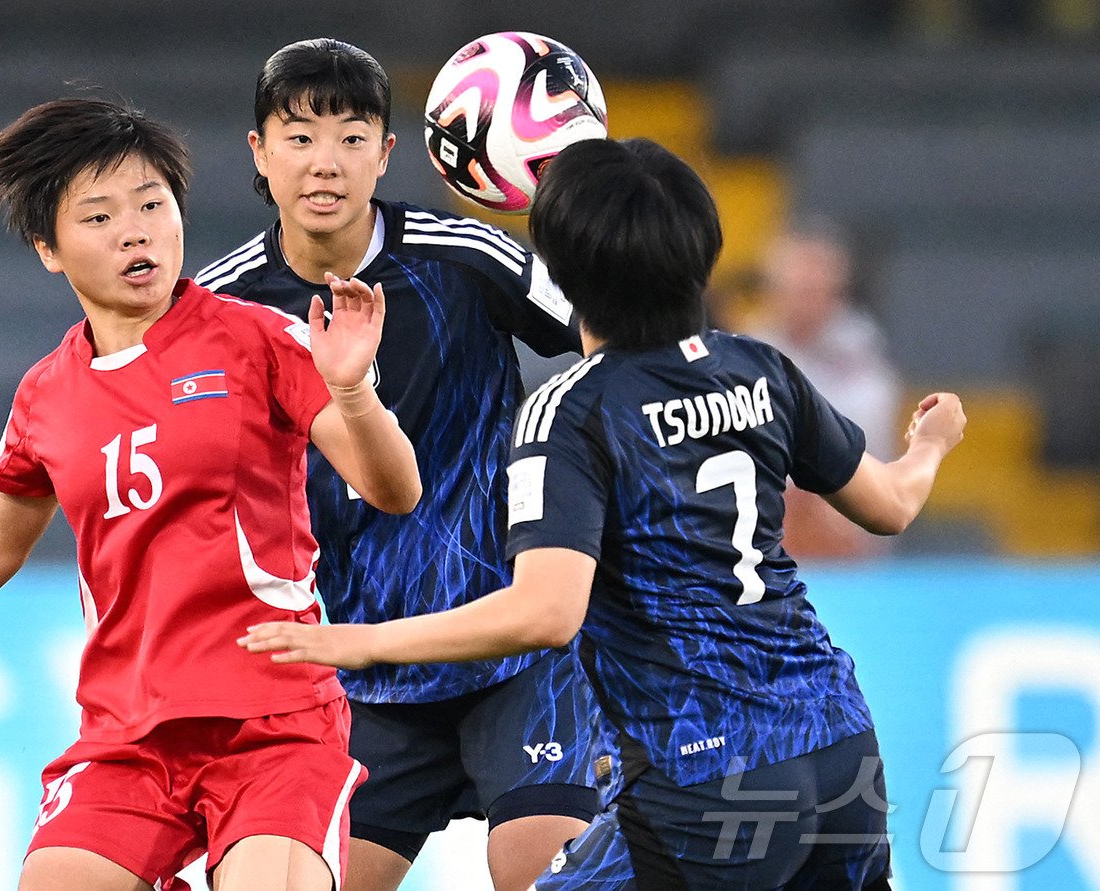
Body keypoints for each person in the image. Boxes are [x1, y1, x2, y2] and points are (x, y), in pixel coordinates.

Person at [240, 137, 967, 889]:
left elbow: (546, 612)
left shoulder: (571, 410)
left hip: (703, 775)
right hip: (838, 745)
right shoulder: (763, 367)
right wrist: (932, 445)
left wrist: (365, 641)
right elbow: (890, 505)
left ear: (564, 274)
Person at [0, 97, 422, 891]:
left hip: (273, 723)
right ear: (49, 247)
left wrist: (353, 390)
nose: (136, 230)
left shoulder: (257, 339)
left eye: (153, 204)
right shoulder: (47, 394)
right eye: (100, 216)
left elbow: (394, 490)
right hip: (128, 735)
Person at [196, 38, 598, 891]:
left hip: (512, 654)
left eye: (351, 136)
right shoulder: (219, 311)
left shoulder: (470, 257)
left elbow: (614, 335)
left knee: (548, 872)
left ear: (386, 152)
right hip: (356, 676)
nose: (325, 163)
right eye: (299, 138)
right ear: (259, 154)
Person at [746, 216, 903, 559]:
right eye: (799, 288)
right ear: (775, 289)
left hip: (841, 534)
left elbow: (869, 462)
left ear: (837, 292)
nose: (807, 299)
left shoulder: (865, 366)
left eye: (817, 289)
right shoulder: (743, 354)